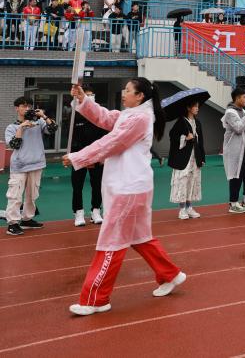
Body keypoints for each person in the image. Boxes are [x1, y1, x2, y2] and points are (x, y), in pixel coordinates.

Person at [62, 78, 186, 316]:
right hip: (132, 187)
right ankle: (170, 274)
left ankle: (96, 298)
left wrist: (79, 157)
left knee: (111, 242)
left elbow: (113, 141)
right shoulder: (131, 115)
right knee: (140, 238)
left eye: (128, 90)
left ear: (140, 96)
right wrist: (83, 100)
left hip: (129, 188)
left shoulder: (140, 118)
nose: (123, 93)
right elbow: (105, 117)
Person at [5, 97, 49, 236]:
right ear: (17, 108)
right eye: (24, 106)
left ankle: (27, 219)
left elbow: (53, 129)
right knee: (15, 196)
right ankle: (12, 224)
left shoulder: (39, 123)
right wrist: (21, 128)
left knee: (32, 195)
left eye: (29, 106)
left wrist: (43, 116)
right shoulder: (11, 127)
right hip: (19, 166)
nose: (27, 109)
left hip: (36, 164)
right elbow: (14, 145)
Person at [70, 83, 106, 227]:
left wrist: (102, 156)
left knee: (97, 185)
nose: (89, 97)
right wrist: (73, 156)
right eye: (87, 95)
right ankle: (78, 212)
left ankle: (96, 211)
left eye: (91, 95)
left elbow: (105, 137)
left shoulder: (100, 113)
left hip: (97, 156)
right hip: (78, 155)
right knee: (77, 185)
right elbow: (72, 137)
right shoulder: (75, 114)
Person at [222, 88, 245, 214]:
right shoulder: (230, 112)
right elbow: (238, 128)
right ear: (237, 98)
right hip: (236, 151)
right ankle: (233, 203)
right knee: (236, 177)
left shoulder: (243, 111)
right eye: (244, 97)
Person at [168, 100, 205, 220]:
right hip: (183, 158)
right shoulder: (181, 121)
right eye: (195, 106)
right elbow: (172, 136)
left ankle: (189, 207)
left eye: (198, 106)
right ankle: (182, 209)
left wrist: (202, 157)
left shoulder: (197, 122)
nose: (197, 108)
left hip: (195, 157)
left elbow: (201, 141)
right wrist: (185, 138)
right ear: (188, 108)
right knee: (183, 181)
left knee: (192, 181)